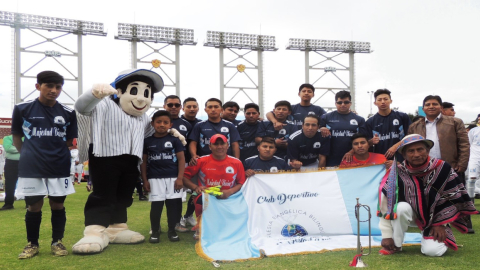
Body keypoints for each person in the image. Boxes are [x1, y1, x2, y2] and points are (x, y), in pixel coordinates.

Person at [72, 69, 171, 254]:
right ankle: (94, 230)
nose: (141, 99)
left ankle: (117, 228)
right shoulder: (104, 105)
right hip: (104, 156)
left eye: (146, 93)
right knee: (103, 194)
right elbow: (81, 108)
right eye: (134, 91)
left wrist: (172, 133)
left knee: (123, 196)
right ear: (119, 91)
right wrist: (93, 94)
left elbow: (152, 134)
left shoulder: (142, 117)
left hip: (131, 160)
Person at [12, 71, 77, 259]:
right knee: (34, 206)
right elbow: (17, 136)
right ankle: (32, 244)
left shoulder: (68, 112)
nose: (54, 90)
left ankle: (57, 242)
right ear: (38, 86)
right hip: (32, 167)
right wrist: (27, 153)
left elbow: (68, 140)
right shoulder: (23, 109)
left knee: (57, 205)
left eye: (58, 87)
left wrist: (54, 154)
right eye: (49, 86)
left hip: (58, 166)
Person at [378, 134, 477, 256]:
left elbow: (452, 197)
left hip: (436, 218)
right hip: (411, 214)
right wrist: (386, 235)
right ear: (403, 155)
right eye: (411, 151)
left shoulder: (443, 168)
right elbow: (386, 205)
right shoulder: (397, 172)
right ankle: (396, 245)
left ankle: (429, 233)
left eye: (420, 149)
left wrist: (440, 223)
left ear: (428, 150)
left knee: (433, 251)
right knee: (400, 208)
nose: (416, 154)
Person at [182, 134, 246, 240]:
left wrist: (229, 191)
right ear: (210, 147)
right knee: (200, 199)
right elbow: (184, 177)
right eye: (216, 144)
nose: (219, 147)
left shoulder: (236, 162)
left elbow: (241, 183)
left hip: (229, 196)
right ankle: (201, 227)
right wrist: (195, 187)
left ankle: (231, 226)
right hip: (208, 196)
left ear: (228, 145)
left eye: (222, 144)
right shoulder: (200, 161)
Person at [141, 110, 186, 243]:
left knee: (172, 206)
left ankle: (171, 231)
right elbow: (143, 162)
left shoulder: (175, 140)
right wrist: (145, 180)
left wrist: (180, 178)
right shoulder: (147, 141)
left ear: (170, 124)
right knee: (156, 206)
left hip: (173, 178)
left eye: (165, 122)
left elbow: (181, 160)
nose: (162, 125)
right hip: (154, 178)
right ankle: (155, 232)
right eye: (158, 122)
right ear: (153, 123)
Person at [320, 90, 366, 166]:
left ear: (350, 103)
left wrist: (352, 151)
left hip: (352, 159)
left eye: (346, 102)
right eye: (340, 102)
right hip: (331, 160)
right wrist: (321, 128)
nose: (343, 104)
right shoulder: (326, 118)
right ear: (335, 103)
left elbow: (363, 140)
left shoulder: (359, 119)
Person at [364, 89, 411, 162]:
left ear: (391, 101)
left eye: (385, 99)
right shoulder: (370, 122)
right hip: (380, 162)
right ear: (375, 103)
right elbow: (365, 143)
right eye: (379, 100)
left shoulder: (402, 117)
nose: (383, 102)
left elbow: (410, 136)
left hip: (402, 160)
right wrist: (371, 141)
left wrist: (396, 146)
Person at [189, 98, 241, 163]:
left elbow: (235, 144)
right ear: (205, 110)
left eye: (216, 107)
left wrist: (237, 160)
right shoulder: (199, 125)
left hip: (226, 162)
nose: (213, 110)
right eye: (210, 107)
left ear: (221, 110)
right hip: (204, 162)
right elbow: (193, 142)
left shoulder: (230, 125)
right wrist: (194, 155)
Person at [0, 135, 21, 210]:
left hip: (25, 162)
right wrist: (23, 147)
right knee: (9, 184)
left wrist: (16, 146)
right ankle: (8, 204)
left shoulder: (27, 137)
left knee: (27, 183)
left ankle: (29, 203)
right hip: (11, 163)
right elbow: (8, 149)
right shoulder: (7, 138)